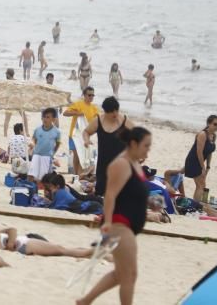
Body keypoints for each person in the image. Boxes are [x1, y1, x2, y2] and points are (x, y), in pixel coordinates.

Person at [77, 126, 153, 305]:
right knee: (130, 275)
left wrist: (151, 202)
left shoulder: (134, 163)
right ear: (133, 144)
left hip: (126, 226)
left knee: (120, 274)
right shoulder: (121, 164)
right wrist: (108, 223)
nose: (148, 150)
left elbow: (131, 193)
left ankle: (85, 301)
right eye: (146, 146)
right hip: (119, 225)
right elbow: (110, 195)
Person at [83, 96, 134, 196]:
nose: (115, 113)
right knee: (101, 191)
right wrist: (86, 140)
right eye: (112, 111)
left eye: (116, 110)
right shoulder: (98, 121)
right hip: (103, 163)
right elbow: (86, 132)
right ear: (105, 112)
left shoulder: (124, 121)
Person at [63, 87, 98, 176]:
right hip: (74, 135)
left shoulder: (94, 108)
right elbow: (65, 113)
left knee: (83, 157)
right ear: (84, 95)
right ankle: (76, 174)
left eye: (92, 95)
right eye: (89, 95)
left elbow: (98, 121)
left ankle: (79, 175)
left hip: (85, 136)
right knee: (77, 155)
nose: (91, 97)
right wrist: (78, 113)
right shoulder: (78, 104)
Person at [184, 115, 217, 203]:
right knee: (201, 185)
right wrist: (202, 167)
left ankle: (196, 204)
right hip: (193, 161)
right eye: (215, 124)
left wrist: (208, 166)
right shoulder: (202, 134)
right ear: (209, 123)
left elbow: (210, 152)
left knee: (201, 184)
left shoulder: (213, 136)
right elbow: (199, 152)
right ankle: (196, 205)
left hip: (201, 162)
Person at [30, 108, 61, 181]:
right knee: (32, 175)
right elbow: (34, 138)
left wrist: (53, 152)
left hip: (47, 156)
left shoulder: (57, 132)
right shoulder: (37, 129)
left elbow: (58, 143)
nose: (45, 119)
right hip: (36, 154)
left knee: (44, 177)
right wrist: (35, 147)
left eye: (48, 117)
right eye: (44, 117)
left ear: (53, 119)